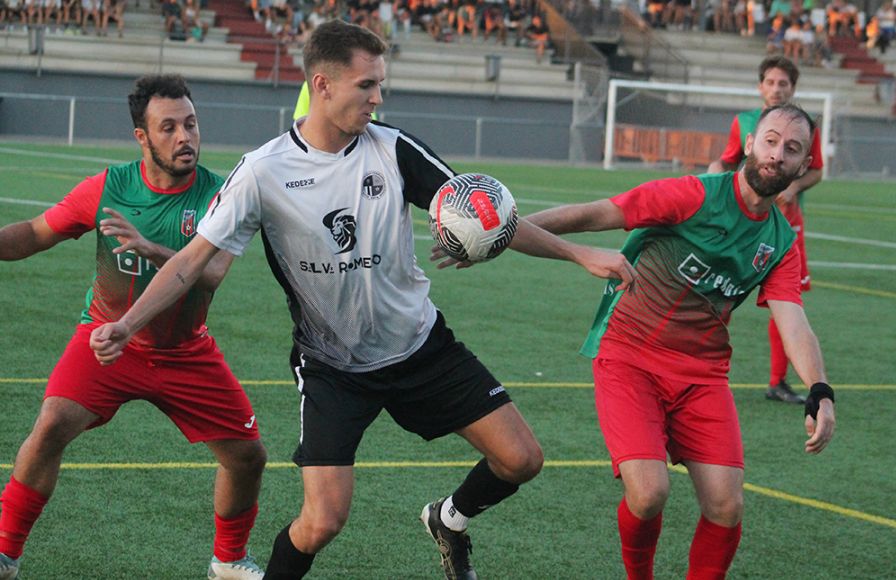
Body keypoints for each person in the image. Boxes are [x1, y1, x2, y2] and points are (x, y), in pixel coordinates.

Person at [88, 20, 636, 580]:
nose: (378, 98)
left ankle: (448, 519)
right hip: (334, 367)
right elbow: (189, 262)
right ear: (322, 86)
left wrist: (579, 255)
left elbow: (483, 212)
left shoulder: (394, 149)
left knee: (522, 459)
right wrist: (128, 324)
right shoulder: (263, 171)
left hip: (421, 347)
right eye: (366, 85)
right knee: (322, 520)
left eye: (380, 84)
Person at [520, 103, 837, 580]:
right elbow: (594, 215)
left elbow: (794, 321)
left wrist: (819, 388)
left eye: (792, 149)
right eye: (770, 141)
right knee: (648, 493)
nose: (777, 154)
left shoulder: (780, 241)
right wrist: (503, 232)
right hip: (630, 355)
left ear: (803, 165)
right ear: (750, 144)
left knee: (727, 505)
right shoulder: (692, 195)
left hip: (703, 374)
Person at [0, 74, 267, 580]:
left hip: (186, 351)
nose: (185, 137)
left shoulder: (220, 192)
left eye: (190, 124)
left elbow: (209, 276)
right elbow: (36, 233)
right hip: (105, 340)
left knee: (248, 457)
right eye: (168, 128)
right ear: (142, 138)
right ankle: (5, 553)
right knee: (52, 423)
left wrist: (150, 248)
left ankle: (228, 561)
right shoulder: (107, 188)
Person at [708, 56, 823, 405]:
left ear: (793, 88)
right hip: (741, 222)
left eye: (783, 83)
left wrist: (795, 187)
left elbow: (816, 171)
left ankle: (778, 381)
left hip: (786, 225)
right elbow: (726, 161)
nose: (777, 89)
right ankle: (704, 373)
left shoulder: (807, 126)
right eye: (771, 82)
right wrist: (713, 179)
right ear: (761, 86)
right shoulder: (744, 121)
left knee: (788, 303)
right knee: (717, 291)